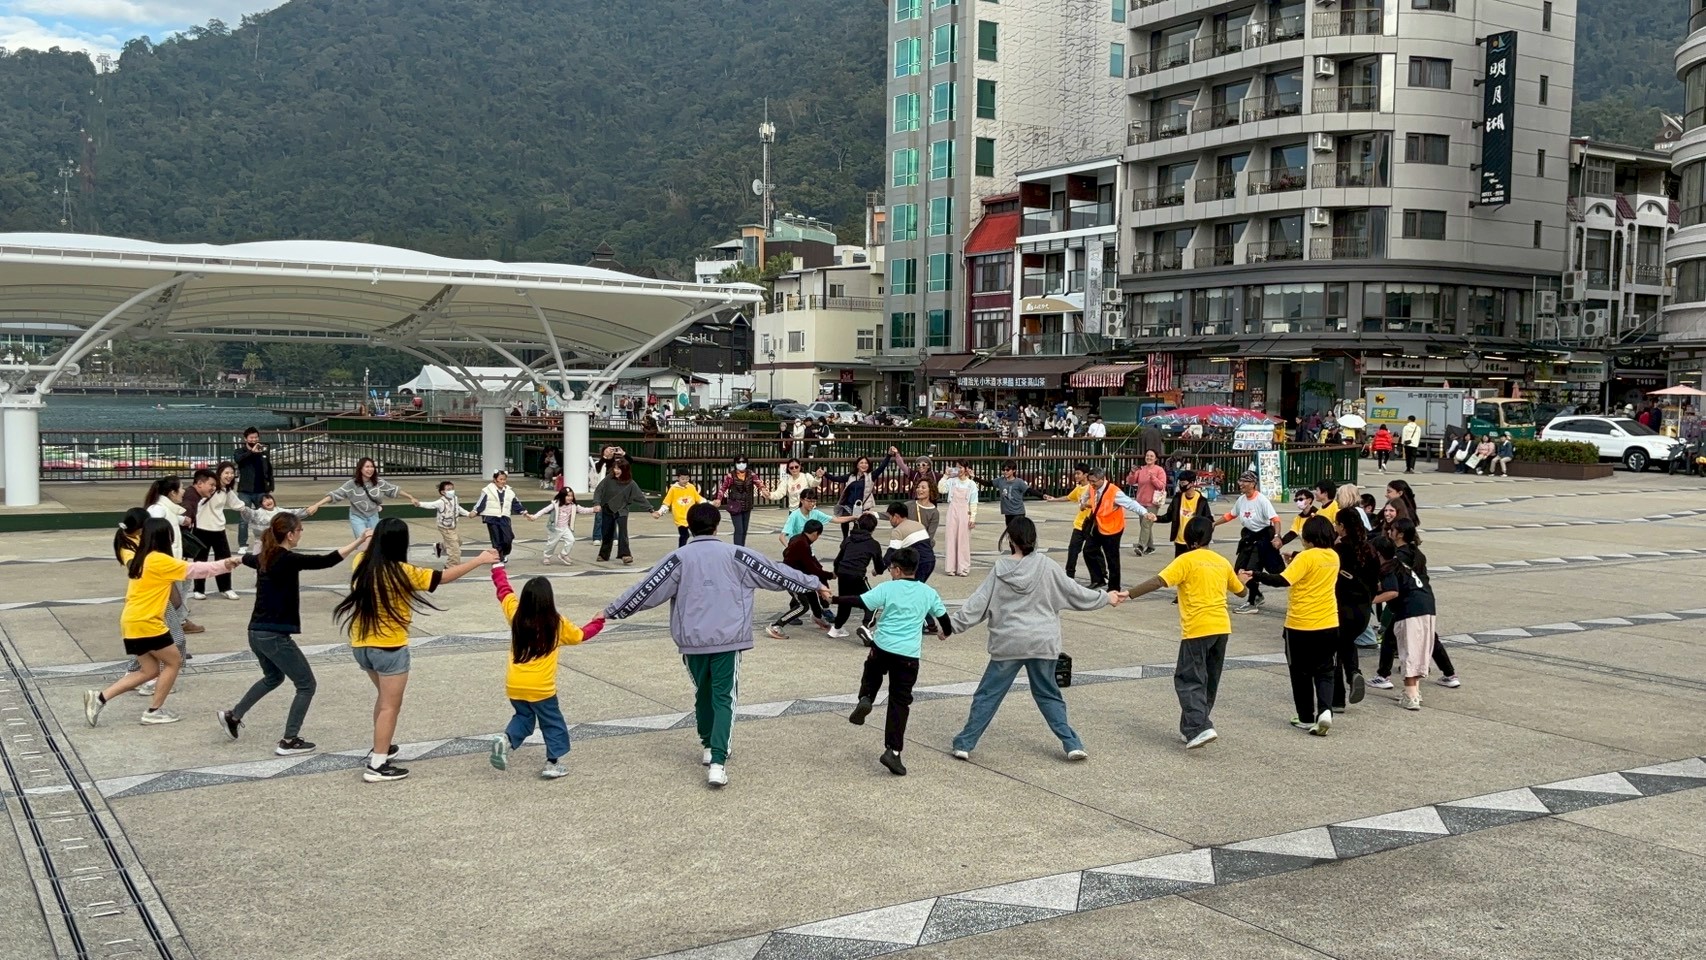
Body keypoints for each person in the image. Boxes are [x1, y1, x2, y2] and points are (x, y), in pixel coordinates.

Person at [601, 503, 829, 787]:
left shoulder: (678, 558)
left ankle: (709, 745)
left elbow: (646, 589)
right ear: (717, 526)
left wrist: (611, 612)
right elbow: (776, 573)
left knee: (704, 692)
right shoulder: (737, 555)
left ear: (689, 526)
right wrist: (814, 583)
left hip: (692, 641)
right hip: (728, 639)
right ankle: (718, 762)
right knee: (723, 698)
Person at [334, 518, 497, 783]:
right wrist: (480, 560)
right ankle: (377, 765)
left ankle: (381, 747)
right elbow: (443, 577)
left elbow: (366, 548)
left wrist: (368, 537)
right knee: (390, 706)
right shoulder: (404, 572)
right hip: (389, 647)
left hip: (361, 644)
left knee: (383, 700)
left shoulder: (361, 563)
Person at [950, 517, 1117, 761]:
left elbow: (977, 605)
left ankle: (965, 743)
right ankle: (1072, 744)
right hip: (1042, 641)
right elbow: (1074, 592)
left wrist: (950, 626)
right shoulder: (1047, 566)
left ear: (1010, 538)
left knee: (989, 695)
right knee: (1048, 694)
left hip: (1009, 642)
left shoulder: (1000, 570)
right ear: (1033, 538)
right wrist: (1105, 598)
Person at [216, 515, 370, 755]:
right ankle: (289, 740)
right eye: (299, 530)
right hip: (274, 635)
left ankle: (233, 716)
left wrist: (235, 559)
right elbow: (326, 561)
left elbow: (246, 559)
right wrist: (359, 541)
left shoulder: (264, 556)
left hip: (255, 632)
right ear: (290, 534)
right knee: (306, 684)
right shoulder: (286, 559)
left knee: (273, 677)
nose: (301, 533)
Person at [83, 518, 240, 728]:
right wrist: (226, 564)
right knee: (174, 661)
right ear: (167, 537)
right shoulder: (159, 560)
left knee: (149, 671)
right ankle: (154, 711)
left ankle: (100, 698)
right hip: (148, 622)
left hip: (132, 621)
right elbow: (195, 569)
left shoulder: (142, 557)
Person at [1121, 516, 1247, 749]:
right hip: (1221, 628)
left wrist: (1129, 593)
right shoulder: (1221, 561)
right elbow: (1241, 592)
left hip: (1197, 628)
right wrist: (1241, 580)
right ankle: (1192, 728)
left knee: (1188, 678)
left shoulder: (1186, 560)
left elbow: (1159, 581)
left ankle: (1200, 726)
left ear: (1188, 537)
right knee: (1208, 679)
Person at [833, 547, 952, 776]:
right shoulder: (928, 592)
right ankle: (893, 751)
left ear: (897, 570)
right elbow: (944, 619)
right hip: (908, 655)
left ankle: (866, 697)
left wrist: (834, 599)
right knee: (899, 701)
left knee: (872, 672)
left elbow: (860, 601)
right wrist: (944, 632)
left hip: (883, 646)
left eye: (891, 569)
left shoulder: (888, 588)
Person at [487, 561, 603, 778]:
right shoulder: (556, 623)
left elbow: (504, 591)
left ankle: (506, 739)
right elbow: (581, 635)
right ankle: (553, 763)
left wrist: (497, 568)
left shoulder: (516, 616)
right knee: (552, 723)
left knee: (524, 716)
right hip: (541, 688)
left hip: (515, 684)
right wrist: (598, 621)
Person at [1239, 516, 1340, 736]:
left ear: (1309, 536)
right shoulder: (1333, 556)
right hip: (1329, 622)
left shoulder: (1306, 557)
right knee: (1325, 671)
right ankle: (1325, 711)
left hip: (1300, 624)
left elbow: (1282, 580)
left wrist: (1255, 575)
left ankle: (1305, 717)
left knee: (1300, 672)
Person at [1370, 520, 1460, 690]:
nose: (1389, 532)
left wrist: (1371, 596)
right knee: (1429, 637)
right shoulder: (1416, 552)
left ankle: (1385, 676)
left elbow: (1394, 586)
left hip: (1409, 604)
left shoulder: (1397, 557)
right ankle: (1449, 674)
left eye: (1392, 530)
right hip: (1424, 599)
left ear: (1400, 534)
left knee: (1393, 639)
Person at [1370, 536, 1436, 710]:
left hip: (1409, 611)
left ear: (1378, 553)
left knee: (1408, 650)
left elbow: (1392, 592)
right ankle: (1415, 691)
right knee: (1418, 651)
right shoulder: (1399, 564)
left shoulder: (1387, 568)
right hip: (1427, 607)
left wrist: (1370, 601)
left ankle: (1411, 695)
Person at [143, 475, 203, 644]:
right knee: (172, 602)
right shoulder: (157, 510)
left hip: (175, 561)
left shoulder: (167, 509)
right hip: (168, 564)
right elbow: (154, 527)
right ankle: (174, 637)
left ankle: (179, 625)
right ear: (172, 493)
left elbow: (170, 518)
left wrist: (182, 520)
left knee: (183, 588)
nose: (183, 491)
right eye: (181, 488)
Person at [1330, 512, 1380, 711]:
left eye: (1336, 524)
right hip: (1363, 610)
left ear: (1342, 526)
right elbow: (1375, 583)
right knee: (1347, 642)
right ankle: (1353, 673)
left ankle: (1337, 699)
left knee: (1333, 651)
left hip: (1342, 607)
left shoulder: (1339, 551)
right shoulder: (1370, 549)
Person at [1217, 471, 1283, 614]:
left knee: (1251, 570)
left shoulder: (1262, 500)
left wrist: (1277, 536)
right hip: (1248, 537)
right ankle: (1257, 595)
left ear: (1253, 484)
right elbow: (1231, 515)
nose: (1241, 484)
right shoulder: (1241, 500)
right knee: (1239, 570)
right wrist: (1214, 524)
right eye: (1240, 481)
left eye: (1245, 481)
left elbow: (1275, 519)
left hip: (1262, 538)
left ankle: (1252, 602)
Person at [312, 458, 420, 537]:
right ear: (360, 469)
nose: (370, 469)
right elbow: (335, 495)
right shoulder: (352, 484)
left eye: (372, 467)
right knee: (363, 540)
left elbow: (394, 489)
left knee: (374, 542)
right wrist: (317, 505)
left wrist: (410, 497)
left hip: (373, 516)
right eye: (367, 467)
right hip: (357, 516)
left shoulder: (379, 482)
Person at [1083, 467, 1149, 592]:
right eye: (1090, 481)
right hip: (1098, 525)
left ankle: (1114, 587)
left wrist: (1145, 513)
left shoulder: (1114, 492)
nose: (1091, 484)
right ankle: (1098, 578)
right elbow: (1086, 494)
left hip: (1113, 529)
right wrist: (1083, 502)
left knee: (1112, 558)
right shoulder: (1092, 487)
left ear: (1102, 479)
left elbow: (1131, 503)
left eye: (1094, 481)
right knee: (1088, 551)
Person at [767, 519, 832, 638]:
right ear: (815, 533)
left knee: (811, 591)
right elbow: (812, 568)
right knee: (803, 605)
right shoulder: (802, 544)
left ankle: (818, 617)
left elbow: (812, 562)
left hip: (798, 576)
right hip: (791, 578)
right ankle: (777, 626)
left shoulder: (799, 539)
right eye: (818, 535)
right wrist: (830, 575)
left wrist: (823, 574)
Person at [186, 465, 242, 601]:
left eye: (232, 473)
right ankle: (198, 589)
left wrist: (255, 511)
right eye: (226, 473)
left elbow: (237, 504)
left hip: (219, 529)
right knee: (200, 560)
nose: (229, 476)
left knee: (224, 559)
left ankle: (226, 588)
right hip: (201, 528)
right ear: (219, 473)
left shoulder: (226, 490)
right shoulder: (209, 489)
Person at [828, 514, 885, 638]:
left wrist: (836, 571)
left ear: (858, 525)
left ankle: (836, 628)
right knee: (873, 601)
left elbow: (838, 559)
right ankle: (866, 626)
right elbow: (879, 566)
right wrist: (878, 571)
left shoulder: (848, 539)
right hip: (857, 575)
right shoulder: (873, 544)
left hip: (843, 573)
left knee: (845, 601)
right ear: (873, 528)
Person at [593, 459, 651, 564]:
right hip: (607, 508)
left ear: (625, 470)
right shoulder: (608, 479)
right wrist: (597, 503)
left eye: (619, 469)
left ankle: (625, 554)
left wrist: (650, 509)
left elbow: (640, 497)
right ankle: (604, 554)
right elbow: (599, 490)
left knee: (623, 532)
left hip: (622, 510)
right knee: (606, 532)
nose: (616, 471)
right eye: (615, 468)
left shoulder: (631, 483)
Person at [1044, 464, 1093, 580]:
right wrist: (1054, 499)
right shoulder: (1079, 488)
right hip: (1079, 525)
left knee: (1092, 552)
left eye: (1078, 473)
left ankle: (1099, 577)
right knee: (1072, 550)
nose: (1076, 476)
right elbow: (1068, 497)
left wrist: (1086, 505)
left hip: (1091, 525)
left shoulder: (1092, 488)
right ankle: (1069, 576)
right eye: (1075, 473)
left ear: (1085, 475)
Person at [531, 487, 598, 565]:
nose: (570, 498)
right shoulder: (555, 504)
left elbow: (583, 510)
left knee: (571, 540)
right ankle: (547, 557)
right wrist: (534, 516)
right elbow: (544, 510)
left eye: (571, 496)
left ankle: (563, 554)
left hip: (565, 528)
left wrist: (593, 509)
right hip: (555, 528)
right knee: (551, 544)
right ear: (562, 496)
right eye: (568, 496)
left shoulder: (573, 505)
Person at [233, 427, 275, 551]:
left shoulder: (263, 452)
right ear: (245, 439)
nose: (254, 440)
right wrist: (252, 452)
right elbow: (238, 460)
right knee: (244, 519)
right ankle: (242, 545)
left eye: (256, 437)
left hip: (261, 490)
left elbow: (268, 468)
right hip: (245, 490)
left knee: (264, 517)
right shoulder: (240, 451)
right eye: (251, 438)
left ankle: (266, 542)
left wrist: (271, 484)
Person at [473, 470, 528, 562]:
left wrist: (523, 512)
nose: (503, 481)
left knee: (508, 538)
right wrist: (475, 511)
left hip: (504, 517)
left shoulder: (510, 492)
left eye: (504, 479)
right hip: (492, 517)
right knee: (496, 539)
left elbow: (516, 503)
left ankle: (504, 553)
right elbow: (481, 502)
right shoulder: (487, 490)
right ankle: (499, 557)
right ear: (495, 480)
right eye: (500, 479)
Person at [1158, 469, 1214, 556]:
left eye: (1183, 483)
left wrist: (1203, 541)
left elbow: (1208, 522)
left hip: (1194, 543)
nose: (1181, 485)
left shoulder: (1201, 501)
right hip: (1179, 541)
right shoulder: (1177, 498)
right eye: (1180, 483)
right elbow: (1169, 516)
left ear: (1192, 483)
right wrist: (1156, 518)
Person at [938, 462, 979, 576]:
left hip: (965, 512)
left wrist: (972, 518)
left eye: (961, 467)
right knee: (951, 538)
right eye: (957, 467)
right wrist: (945, 476)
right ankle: (950, 568)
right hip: (953, 511)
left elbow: (973, 502)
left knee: (963, 540)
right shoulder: (952, 481)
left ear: (966, 469)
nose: (958, 470)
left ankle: (963, 568)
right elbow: (941, 489)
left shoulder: (971, 484)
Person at [715, 457, 766, 547]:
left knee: (744, 530)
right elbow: (723, 488)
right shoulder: (731, 475)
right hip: (735, 506)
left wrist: (764, 491)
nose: (741, 464)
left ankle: (742, 548)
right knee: (739, 529)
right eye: (739, 462)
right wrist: (719, 498)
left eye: (743, 462)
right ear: (735, 463)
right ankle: (737, 549)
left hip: (747, 505)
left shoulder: (751, 474)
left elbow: (759, 483)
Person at [419, 480, 472, 563]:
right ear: (443, 492)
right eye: (449, 489)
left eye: (452, 489)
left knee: (458, 541)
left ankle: (440, 546)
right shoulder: (441, 502)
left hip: (453, 526)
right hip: (445, 527)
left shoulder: (455, 498)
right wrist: (419, 504)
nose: (452, 491)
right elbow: (431, 505)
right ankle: (451, 566)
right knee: (455, 550)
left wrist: (467, 514)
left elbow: (458, 508)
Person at [884, 501, 935, 584]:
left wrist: (878, 569)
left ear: (896, 516)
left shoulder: (898, 531)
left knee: (904, 587)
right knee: (916, 586)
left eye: (890, 517)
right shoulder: (919, 525)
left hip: (917, 564)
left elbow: (891, 553)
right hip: (930, 560)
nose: (890, 520)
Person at [656, 467, 707, 547]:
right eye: (683, 479)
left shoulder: (691, 487)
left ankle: (701, 549)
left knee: (698, 535)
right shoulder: (673, 489)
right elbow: (666, 503)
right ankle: (681, 550)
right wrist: (660, 512)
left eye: (687, 478)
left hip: (691, 517)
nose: (685, 481)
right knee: (684, 535)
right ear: (678, 478)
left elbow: (699, 499)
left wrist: (709, 504)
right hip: (680, 519)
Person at [1130, 450, 1168, 557]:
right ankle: (1151, 547)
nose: (1149, 458)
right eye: (1147, 455)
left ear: (1156, 459)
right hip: (1140, 502)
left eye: (1151, 456)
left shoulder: (1159, 470)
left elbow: (1161, 486)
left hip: (1153, 502)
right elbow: (1131, 482)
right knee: (1146, 526)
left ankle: (1141, 546)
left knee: (1146, 524)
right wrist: (1132, 473)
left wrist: (1153, 478)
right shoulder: (1141, 469)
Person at [984, 461, 1030, 546]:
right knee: (1011, 535)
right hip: (1008, 513)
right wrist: (974, 477)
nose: (1005, 472)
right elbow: (988, 484)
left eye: (1008, 470)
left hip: (1018, 512)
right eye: (1003, 470)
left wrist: (1042, 495)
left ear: (1014, 470)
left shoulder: (1019, 482)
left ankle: (1022, 550)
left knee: (1018, 534)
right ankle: (1014, 551)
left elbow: (1029, 490)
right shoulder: (1000, 481)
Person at [912, 480, 940, 547]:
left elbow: (930, 535)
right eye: (918, 487)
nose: (919, 489)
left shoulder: (934, 512)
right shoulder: (908, 505)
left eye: (923, 487)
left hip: (923, 545)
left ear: (931, 491)